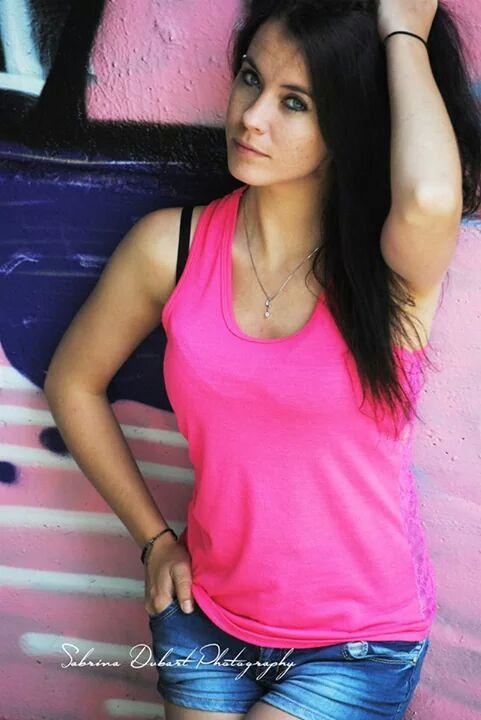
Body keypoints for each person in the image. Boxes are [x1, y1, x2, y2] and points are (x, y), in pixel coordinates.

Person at [44, 1, 480, 719]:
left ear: (348, 125)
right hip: (204, 615)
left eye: (295, 102)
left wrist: (403, 29)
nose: (250, 117)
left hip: (355, 641)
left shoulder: (389, 270)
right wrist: (154, 541)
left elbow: (431, 195)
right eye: (251, 78)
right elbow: (74, 382)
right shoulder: (170, 248)